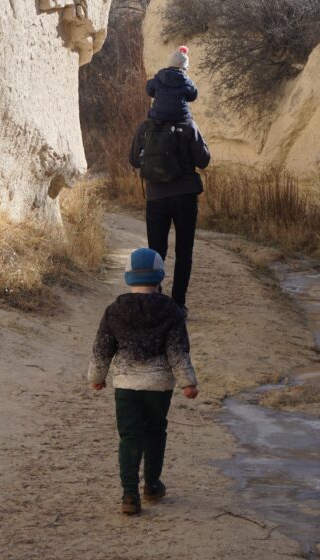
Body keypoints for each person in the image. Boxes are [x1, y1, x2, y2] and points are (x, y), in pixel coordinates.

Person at [88, 247, 199, 516]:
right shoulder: (171, 310)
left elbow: (102, 348)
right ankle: (151, 485)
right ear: (160, 276)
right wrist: (188, 382)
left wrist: (97, 377)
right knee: (156, 431)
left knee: (129, 438)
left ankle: (129, 495)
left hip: (126, 386)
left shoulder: (115, 310)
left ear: (128, 277)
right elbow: (177, 351)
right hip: (159, 387)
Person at [129, 111, 211, 316]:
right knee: (184, 252)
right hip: (186, 197)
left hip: (156, 197)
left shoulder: (146, 126)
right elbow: (203, 161)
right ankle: (178, 305)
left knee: (156, 252)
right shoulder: (189, 125)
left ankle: (156, 303)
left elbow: (134, 160)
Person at [146, 45, 198, 122]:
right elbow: (193, 96)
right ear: (184, 67)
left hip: (158, 116)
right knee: (195, 132)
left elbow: (149, 90)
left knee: (143, 131)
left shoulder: (158, 78)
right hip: (181, 117)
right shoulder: (187, 82)